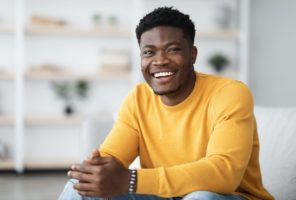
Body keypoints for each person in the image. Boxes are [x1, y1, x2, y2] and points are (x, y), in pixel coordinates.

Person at [58, 7, 274, 200]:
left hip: (229, 196)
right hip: (162, 195)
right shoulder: (138, 98)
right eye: (149, 52)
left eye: (173, 49)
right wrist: (97, 171)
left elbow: (224, 174)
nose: (159, 60)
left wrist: (132, 180)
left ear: (193, 54)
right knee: (80, 187)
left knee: (202, 197)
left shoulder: (230, 94)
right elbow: (112, 159)